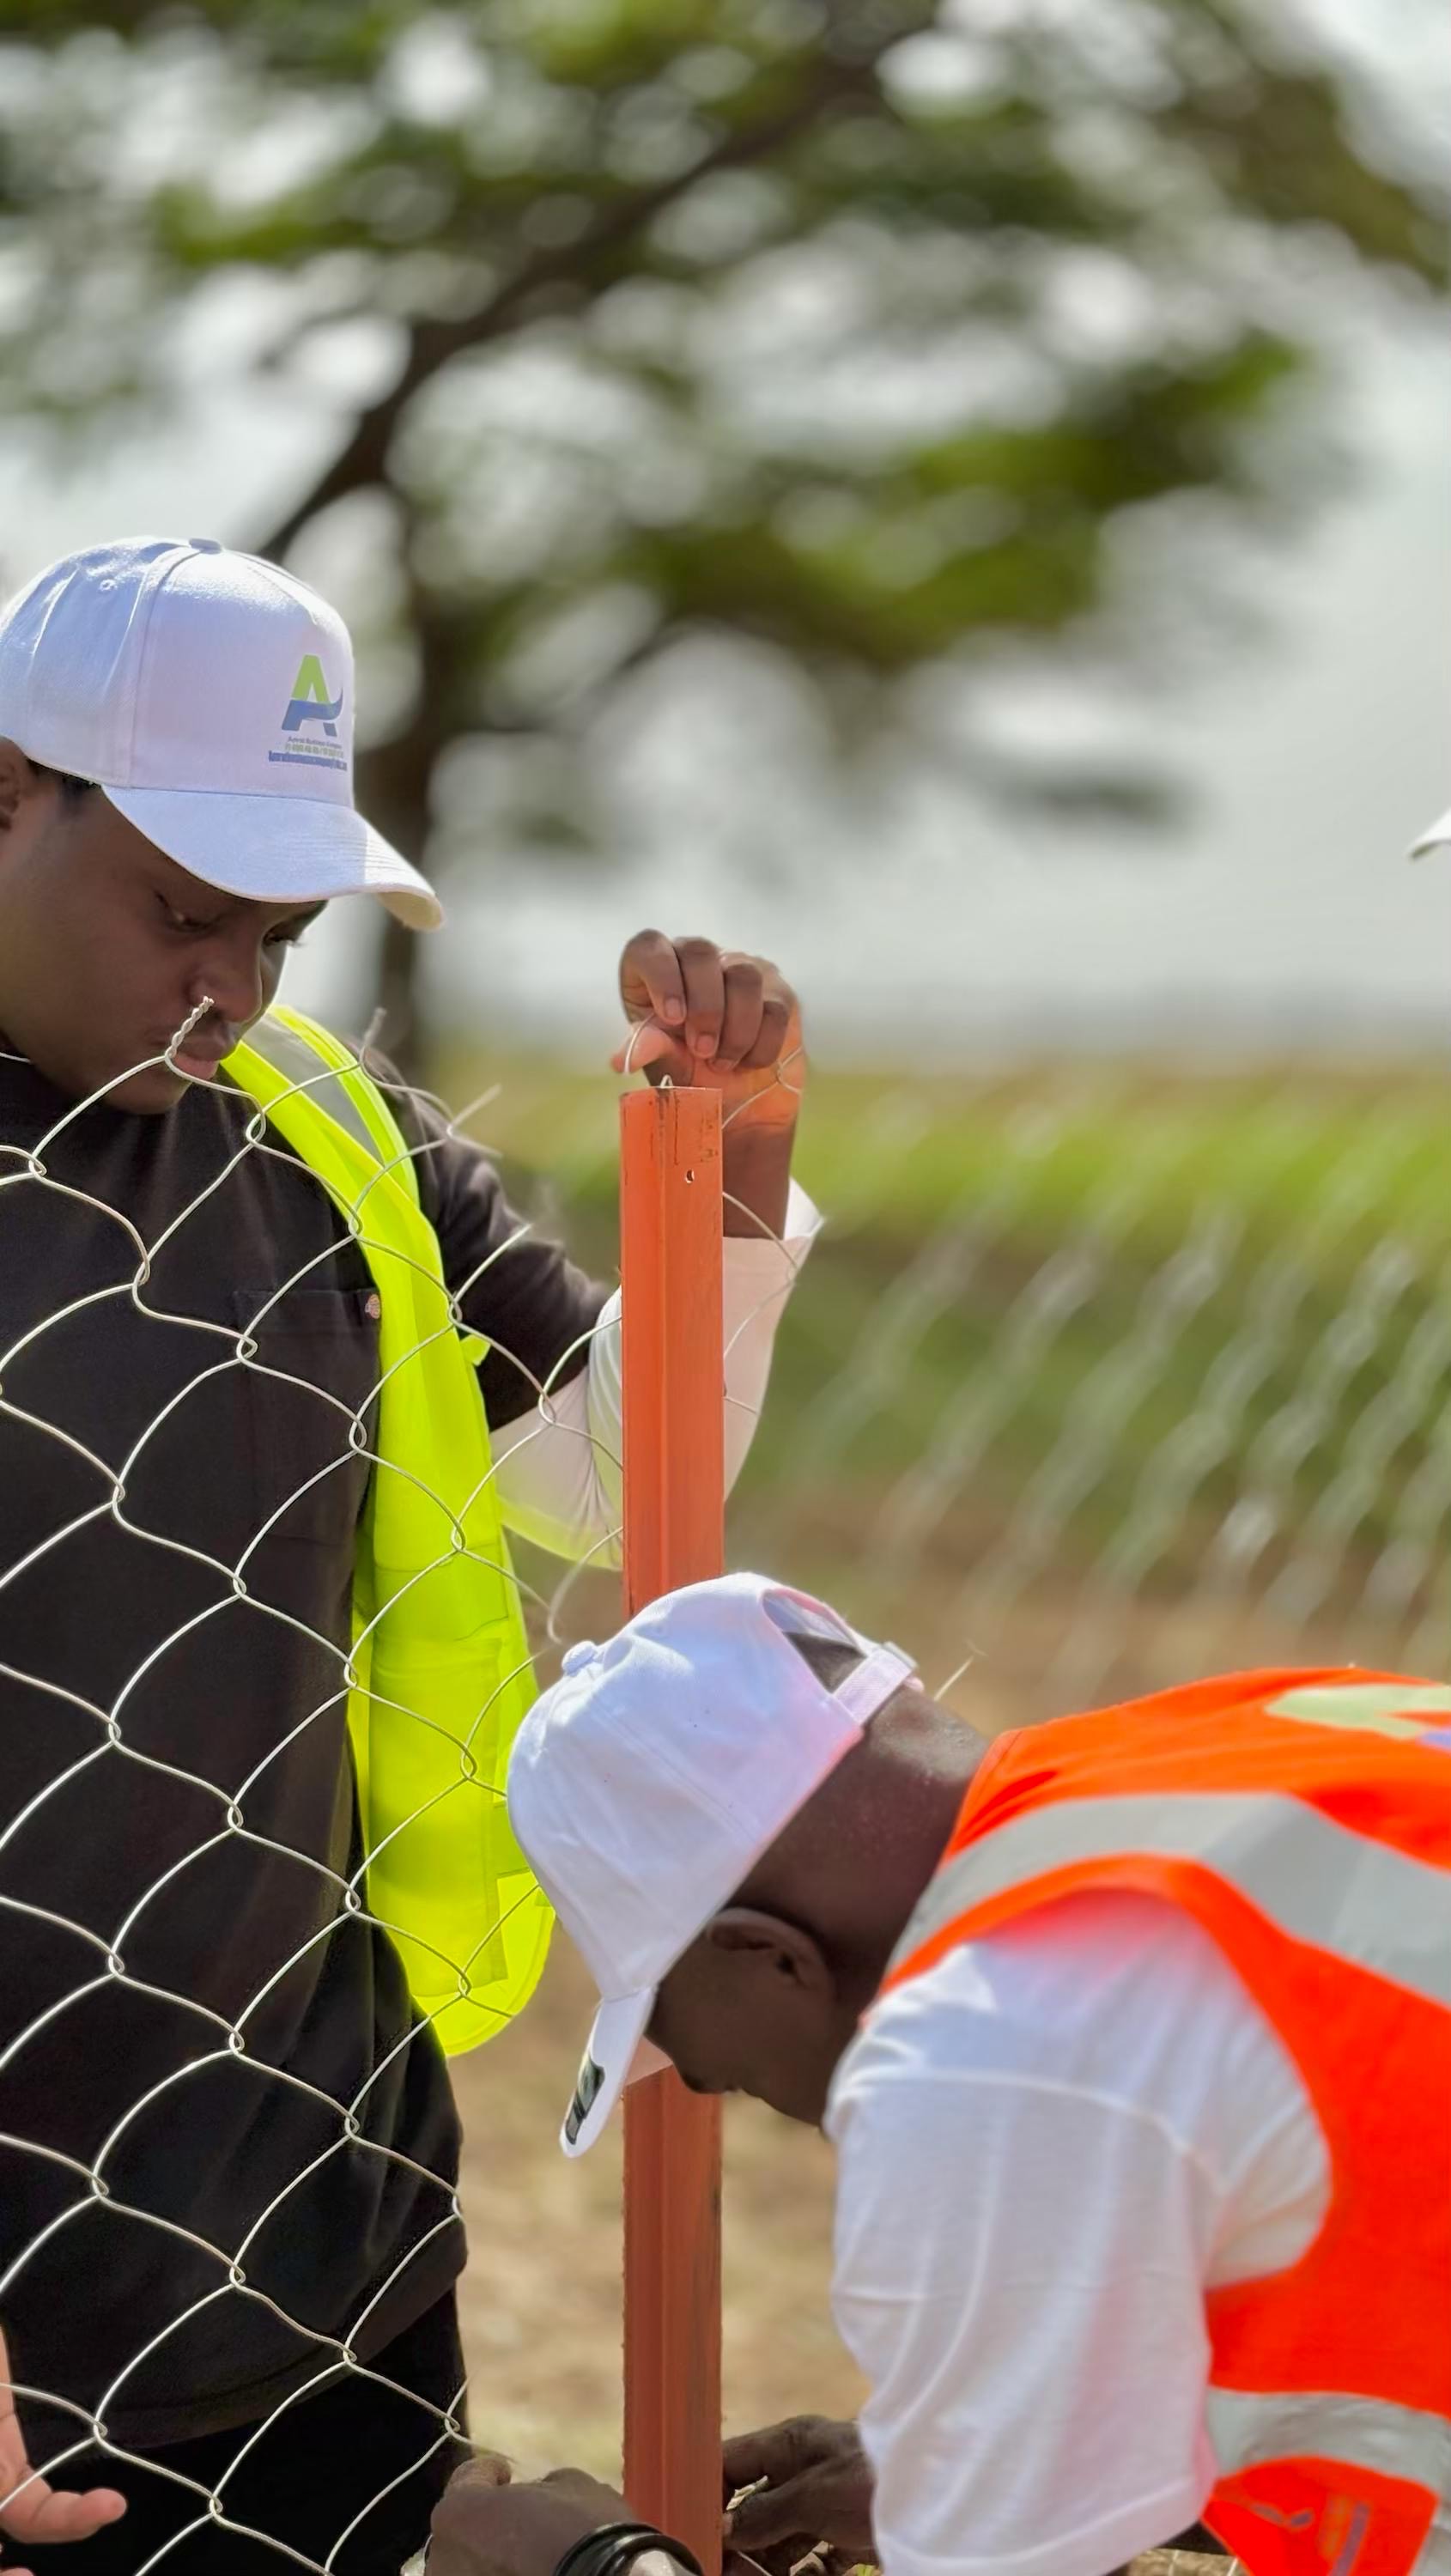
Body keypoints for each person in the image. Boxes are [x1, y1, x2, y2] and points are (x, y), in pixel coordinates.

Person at [0, 538, 818, 2573]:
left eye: (275, 933)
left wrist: (729, 1190)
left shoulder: (327, 1131)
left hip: (328, 2215)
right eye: (182, 911)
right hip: (40, 2324)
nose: (229, 988)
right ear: (7, 791)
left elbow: (621, 1478)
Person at [425, 1572, 1451, 2576]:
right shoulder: (1253, 1735)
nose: (720, 2091)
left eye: (721, 2067)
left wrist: (602, 2565)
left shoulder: (968, 2045)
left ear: (768, 1955)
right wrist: (1000, 2475)